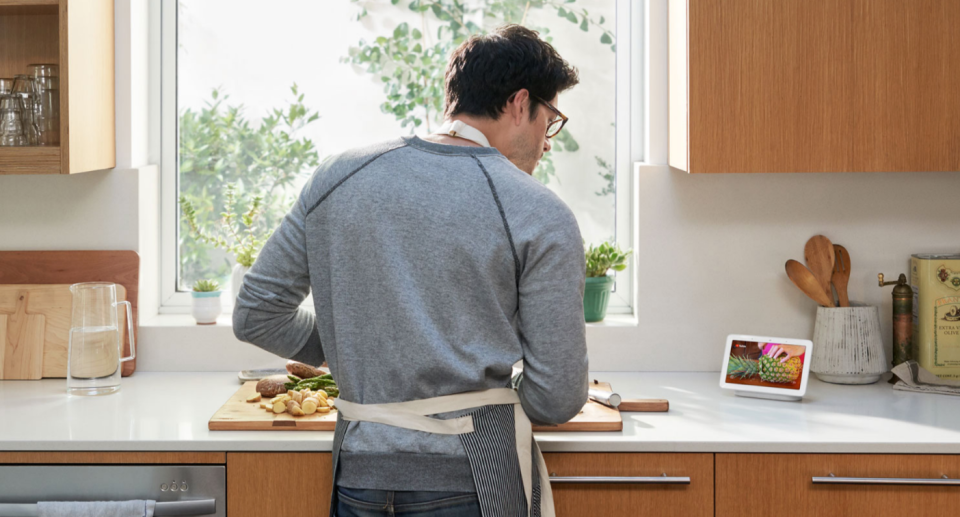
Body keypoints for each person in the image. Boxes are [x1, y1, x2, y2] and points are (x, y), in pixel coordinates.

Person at [234, 24, 588, 517]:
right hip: (474, 477)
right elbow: (557, 397)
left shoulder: (338, 176)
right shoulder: (538, 211)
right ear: (518, 103)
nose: (547, 144)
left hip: (360, 475)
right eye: (549, 121)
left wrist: (361, 352)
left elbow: (257, 314)